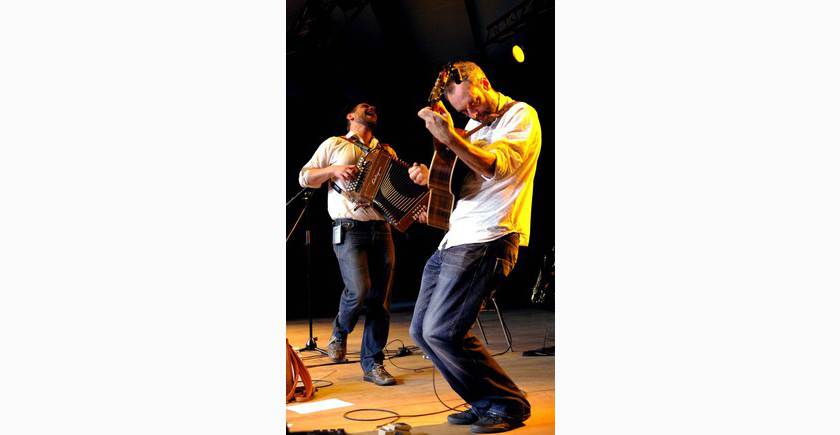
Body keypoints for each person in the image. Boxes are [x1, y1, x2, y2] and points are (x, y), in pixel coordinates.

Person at [409, 61, 542, 433]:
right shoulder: (471, 127)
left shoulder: (521, 115)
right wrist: (431, 177)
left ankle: (508, 405)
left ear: (484, 82)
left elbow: (496, 168)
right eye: (462, 110)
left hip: (490, 237)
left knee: (443, 332)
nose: (471, 113)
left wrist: (451, 138)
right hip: (455, 238)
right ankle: (482, 400)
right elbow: (464, 183)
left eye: (473, 103)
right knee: (422, 332)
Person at [298, 102, 398, 386]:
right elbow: (305, 177)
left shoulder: (385, 151)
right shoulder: (335, 144)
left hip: (382, 228)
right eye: (363, 107)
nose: (371, 107)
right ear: (350, 116)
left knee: (380, 301)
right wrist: (333, 170)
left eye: (374, 107)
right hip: (348, 227)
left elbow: (394, 189)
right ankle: (340, 331)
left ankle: (373, 364)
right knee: (359, 289)